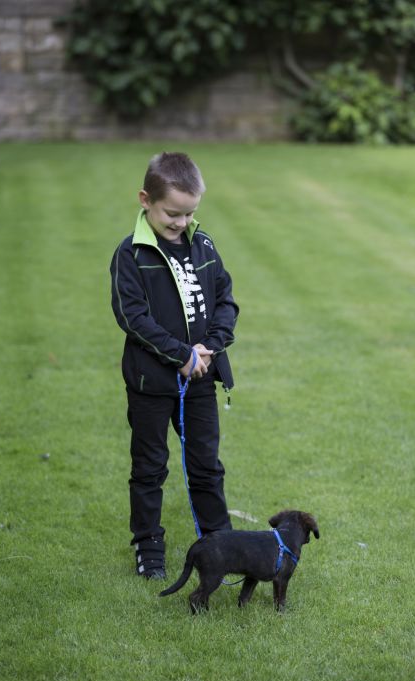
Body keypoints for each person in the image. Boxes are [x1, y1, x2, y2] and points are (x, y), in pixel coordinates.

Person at [110, 152, 239, 579]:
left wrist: (209, 349)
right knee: (149, 468)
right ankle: (149, 548)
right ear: (145, 199)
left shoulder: (203, 244)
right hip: (151, 384)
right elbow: (133, 318)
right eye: (172, 213)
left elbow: (225, 298)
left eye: (190, 213)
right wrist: (180, 355)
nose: (181, 223)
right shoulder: (131, 255)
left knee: (206, 465)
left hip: (200, 379)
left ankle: (220, 543)